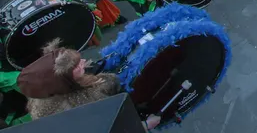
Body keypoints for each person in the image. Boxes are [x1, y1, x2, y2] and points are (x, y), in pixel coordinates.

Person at [17, 39, 161, 130]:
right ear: (63, 81)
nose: (83, 62)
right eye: (76, 67)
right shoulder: (80, 108)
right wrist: (145, 126)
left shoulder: (45, 93)